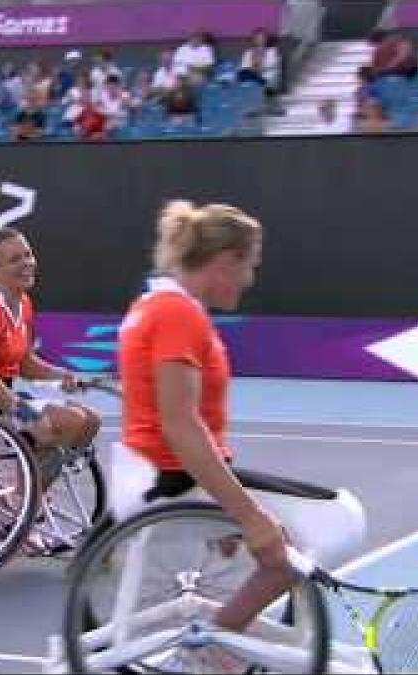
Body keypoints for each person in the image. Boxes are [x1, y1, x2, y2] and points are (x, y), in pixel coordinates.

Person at [116, 200, 289, 631]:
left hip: (155, 469)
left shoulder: (153, 304)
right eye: (249, 266)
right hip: (174, 479)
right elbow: (181, 426)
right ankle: (211, 652)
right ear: (226, 262)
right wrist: (247, 515)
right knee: (293, 554)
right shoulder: (178, 315)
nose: (250, 279)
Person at [0, 227, 103, 547]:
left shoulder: (23, 303)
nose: (27, 263)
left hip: (2, 397)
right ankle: (24, 505)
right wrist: (25, 412)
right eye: (15, 259)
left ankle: (28, 495)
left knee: (90, 420)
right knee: (68, 422)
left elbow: (26, 363)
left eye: (28, 254)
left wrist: (63, 376)